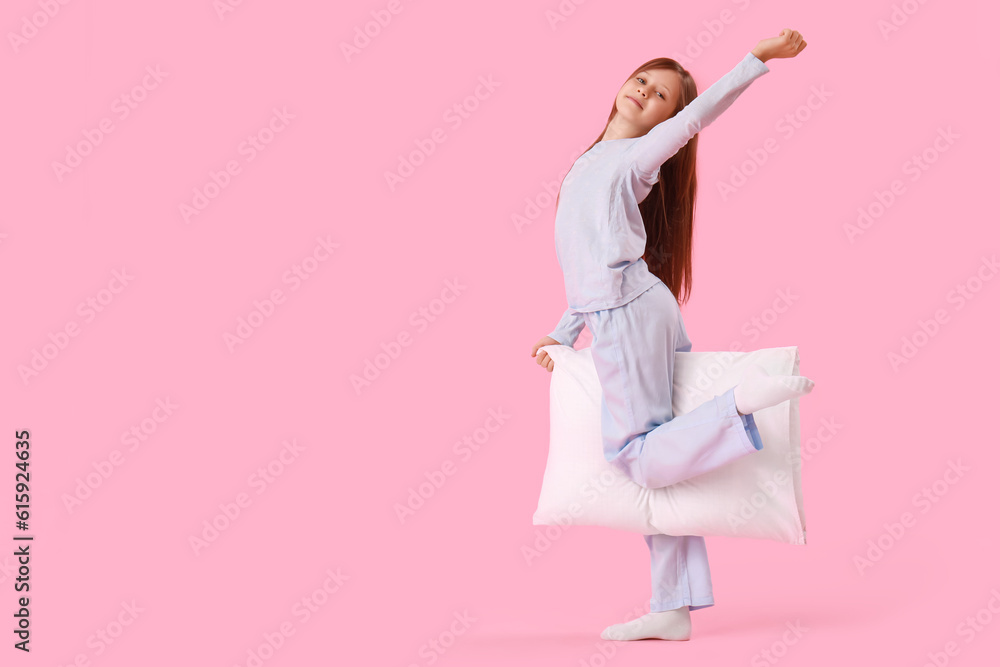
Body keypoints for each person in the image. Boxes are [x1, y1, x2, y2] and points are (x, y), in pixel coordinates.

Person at [529, 29, 812, 641]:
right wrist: (561, 332)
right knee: (667, 454)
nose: (645, 91)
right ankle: (674, 605)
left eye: (662, 95)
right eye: (643, 79)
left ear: (669, 118)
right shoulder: (590, 161)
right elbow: (586, 261)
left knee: (638, 456)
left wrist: (755, 62)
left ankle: (737, 404)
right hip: (634, 305)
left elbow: (698, 116)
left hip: (627, 312)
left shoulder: (635, 159)